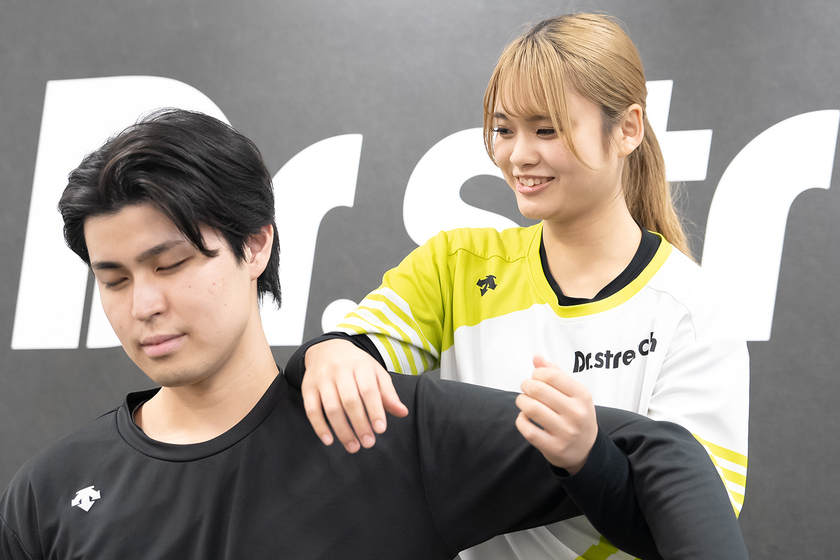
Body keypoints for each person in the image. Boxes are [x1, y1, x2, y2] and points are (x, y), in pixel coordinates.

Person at [0, 109, 748, 559]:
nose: (145, 305)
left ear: (254, 246)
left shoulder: (382, 426)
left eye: (170, 264)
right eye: (115, 279)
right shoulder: (48, 494)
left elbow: (659, 452)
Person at [290, 12, 750, 560]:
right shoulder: (457, 264)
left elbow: (691, 532)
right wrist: (330, 353)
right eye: (505, 130)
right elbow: (352, 353)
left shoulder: (691, 311)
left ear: (628, 129)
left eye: (546, 129)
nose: (519, 155)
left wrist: (589, 458)